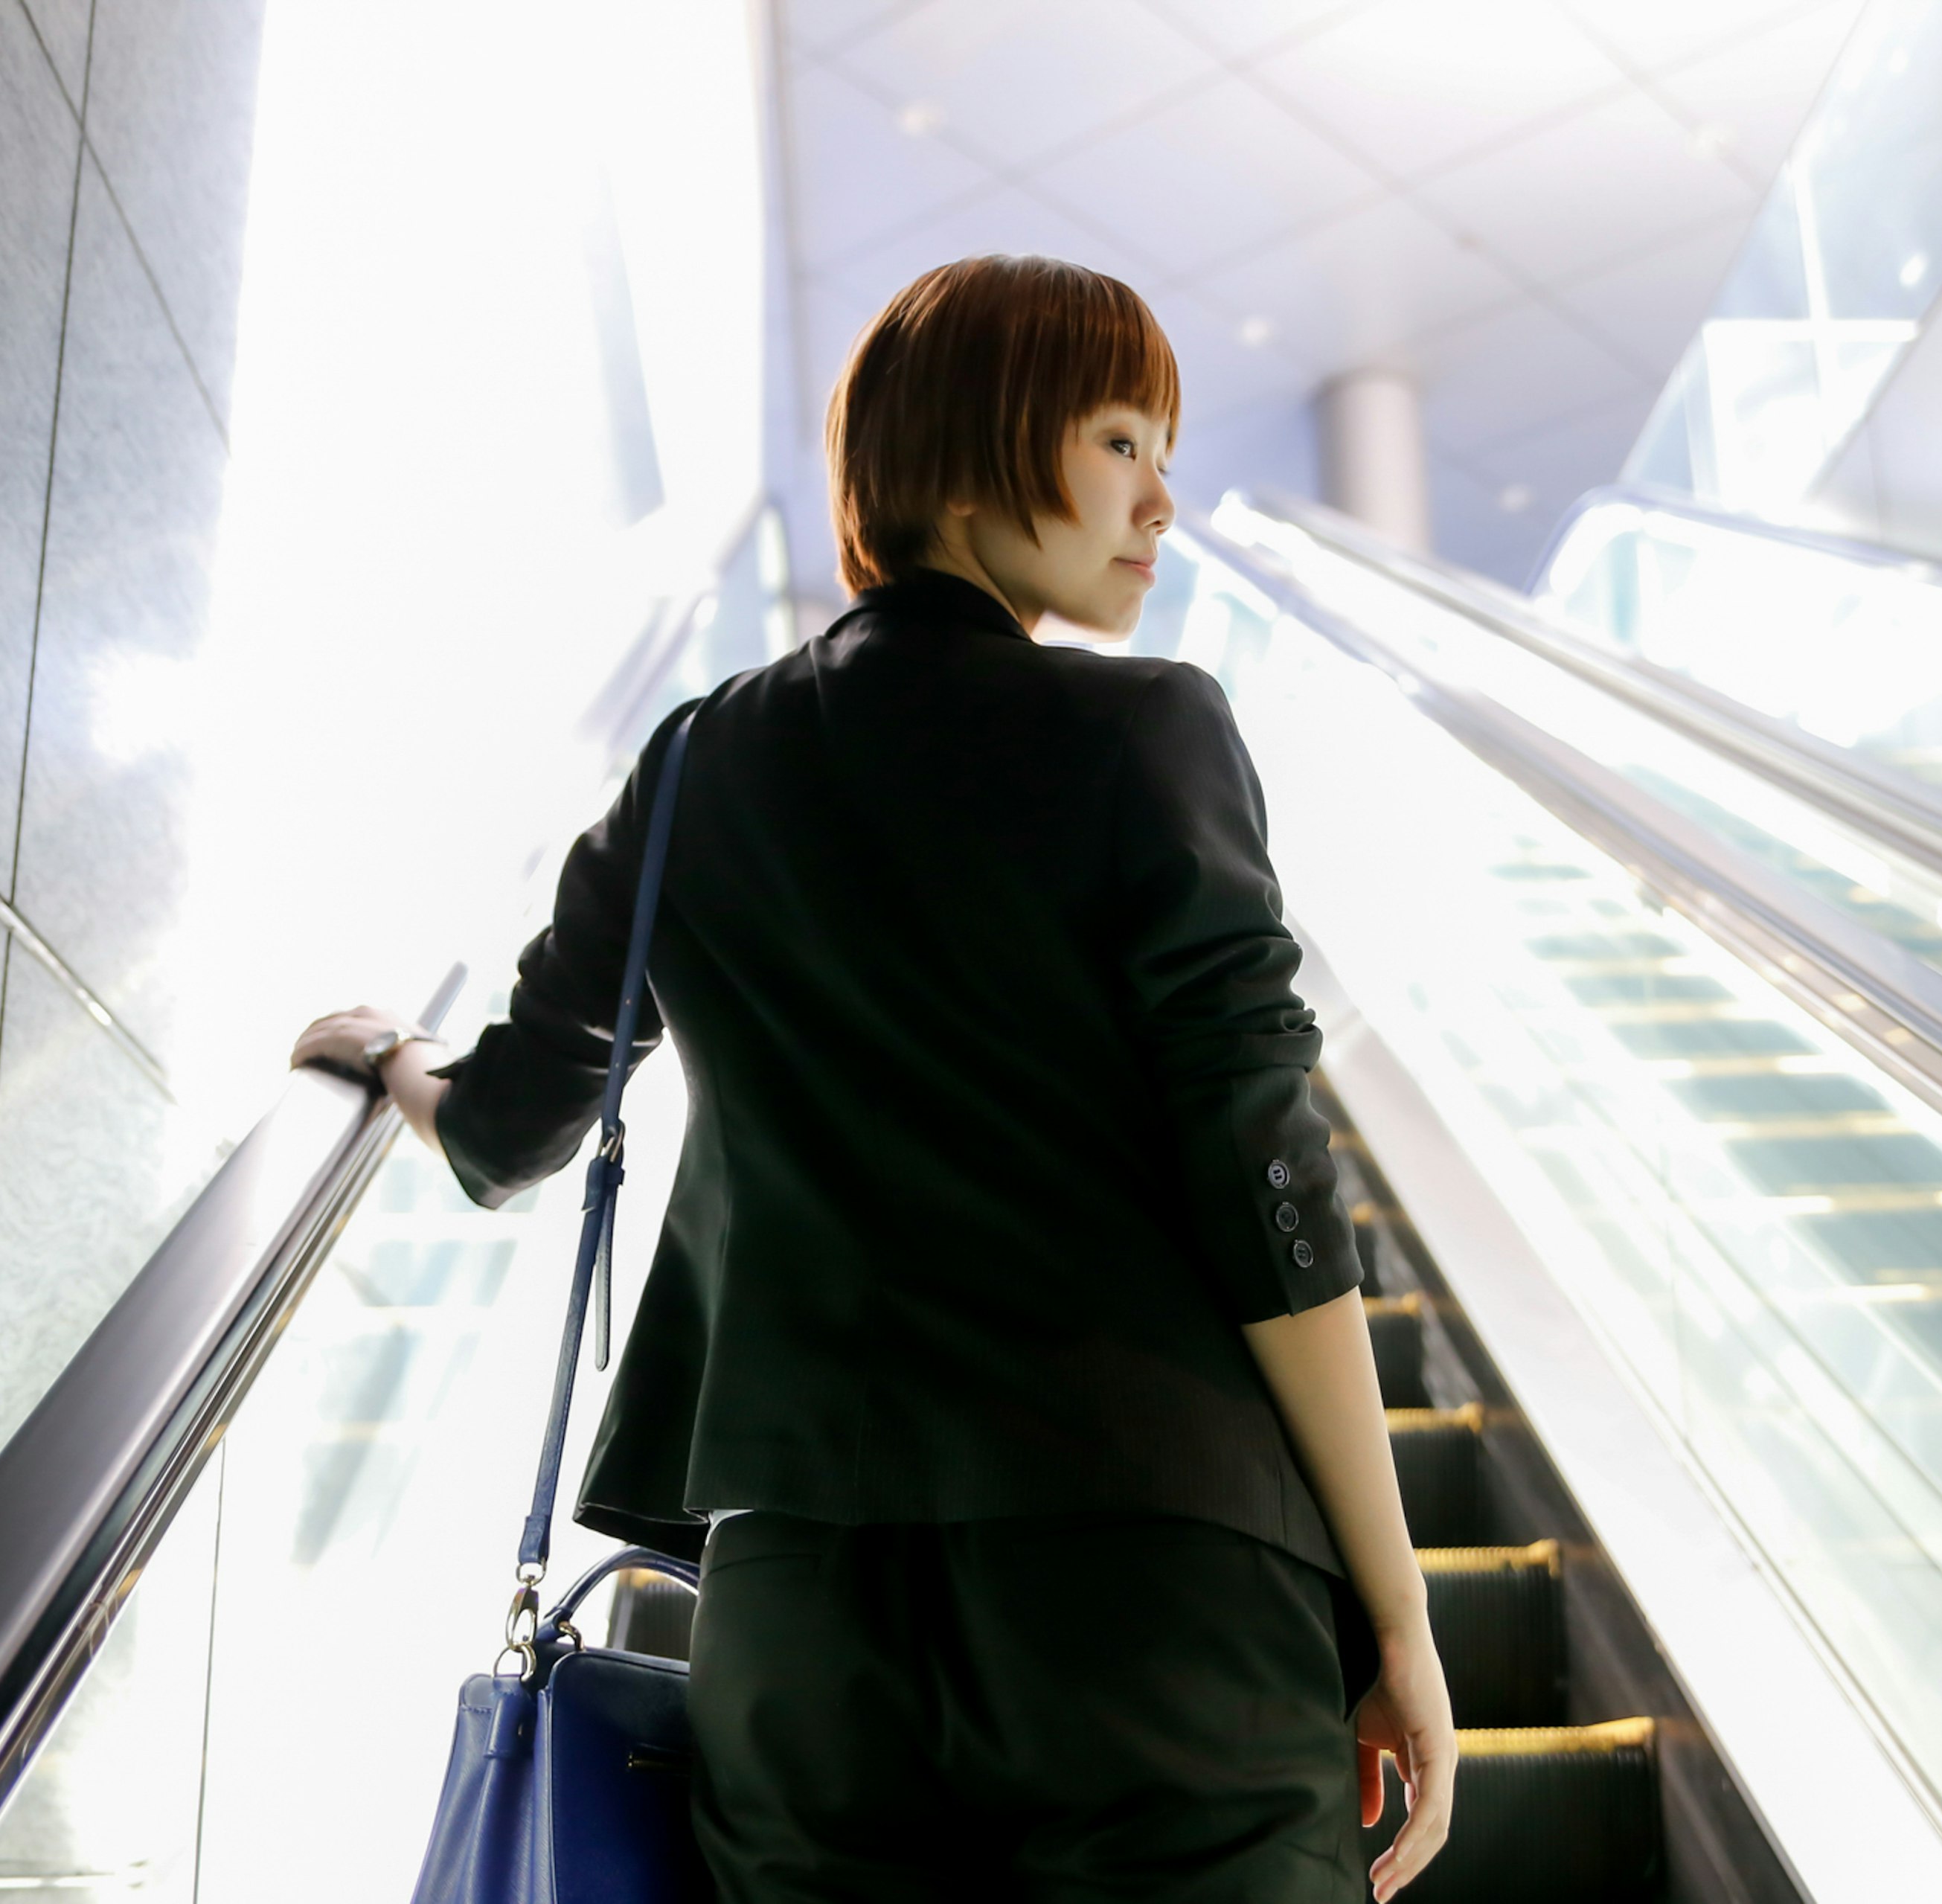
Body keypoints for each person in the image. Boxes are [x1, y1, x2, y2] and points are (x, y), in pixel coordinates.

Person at [295, 254, 1454, 1903]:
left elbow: (502, 1130)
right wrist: (1398, 1613)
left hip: (806, 1625)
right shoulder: (1149, 733)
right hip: (1159, 1599)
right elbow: (1262, 1168)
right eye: (1124, 440)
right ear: (987, 441)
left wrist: (392, 1055)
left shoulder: (696, 764)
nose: (1163, 502)